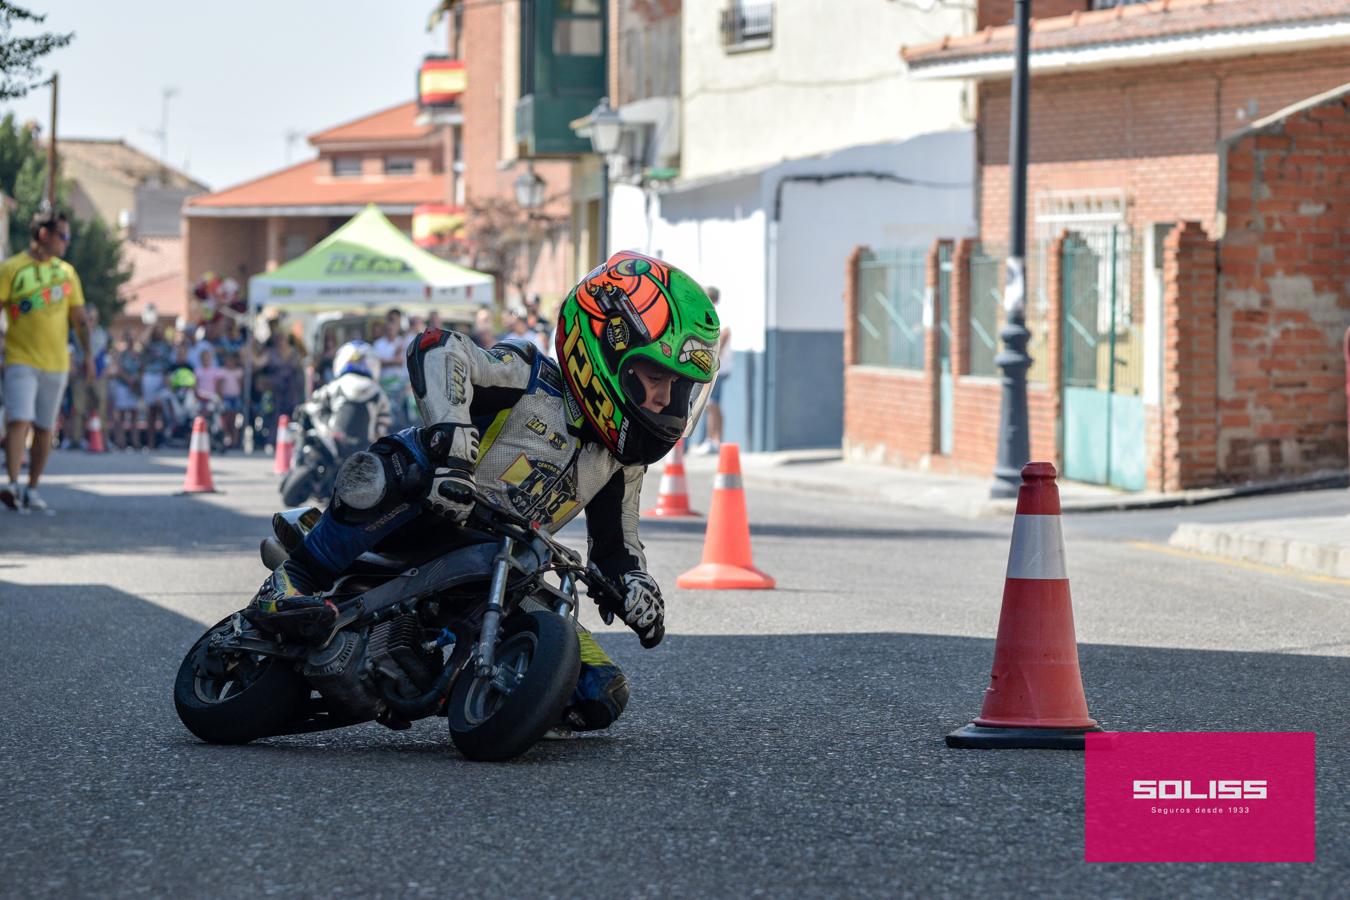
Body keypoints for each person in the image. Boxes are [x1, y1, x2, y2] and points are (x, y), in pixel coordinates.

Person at [246, 251, 722, 734]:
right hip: (422, 516)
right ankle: (293, 580)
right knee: (391, 465)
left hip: (500, 567)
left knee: (601, 692)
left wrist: (636, 588)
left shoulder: (621, 461)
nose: (667, 399)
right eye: (656, 378)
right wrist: (451, 446)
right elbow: (437, 347)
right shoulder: (529, 377)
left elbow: (617, 545)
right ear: (606, 351)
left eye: (679, 387)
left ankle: (455, 683)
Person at [0, 211, 93, 513]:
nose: (67, 242)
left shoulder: (67, 273)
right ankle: (12, 484)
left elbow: (79, 319)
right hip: (20, 358)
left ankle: (32, 488)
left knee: (44, 429)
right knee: (19, 419)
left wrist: (88, 355)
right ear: (43, 235)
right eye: (62, 235)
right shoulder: (12, 268)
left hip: (57, 363)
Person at [298, 340, 390, 452]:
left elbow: (314, 405)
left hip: (335, 447)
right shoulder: (378, 391)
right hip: (368, 451)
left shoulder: (335, 386)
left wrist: (326, 429)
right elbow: (384, 420)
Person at [694, 285, 731, 455]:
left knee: (711, 404)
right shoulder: (711, 313)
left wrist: (712, 357)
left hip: (717, 368)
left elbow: (725, 334)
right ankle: (716, 440)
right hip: (718, 367)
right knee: (714, 405)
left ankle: (712, 441)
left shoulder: (717, 313)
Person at [373, 308, 412, 429]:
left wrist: (388, 361)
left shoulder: (402, 342)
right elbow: (378, 363)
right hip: (383, 387)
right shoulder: (378, 344)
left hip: (400, 387)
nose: (390, 330)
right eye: (388, 328)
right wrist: (394, 361)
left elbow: (401, 363)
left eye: (393, 327)